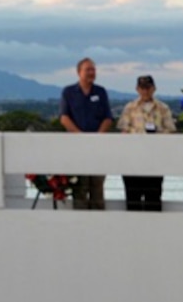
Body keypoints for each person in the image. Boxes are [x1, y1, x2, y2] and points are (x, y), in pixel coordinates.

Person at [58, 57, 113, 210]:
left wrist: (98, 137)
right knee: (80, 187)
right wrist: (80, 136)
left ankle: (99, 224)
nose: (91, 73)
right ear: (78, 72)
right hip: (76, 148)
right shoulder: (68, 92)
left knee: (97, 187)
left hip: (98, 148)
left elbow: (108, 118)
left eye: (93, 70)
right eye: (88, 69)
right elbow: (64, 118)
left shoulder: (101, 92)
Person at [117, 74, 176, 211]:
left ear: (153, 88)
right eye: (142, 88)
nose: (145, 91)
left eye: (148, 88)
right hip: (132, 161)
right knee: (133, 201)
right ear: (137, 89)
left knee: (153, 200)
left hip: (155, 160)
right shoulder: (129, 108)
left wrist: (157, 138)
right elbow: (124, 132)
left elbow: (171, 131)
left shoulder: (163, 108)